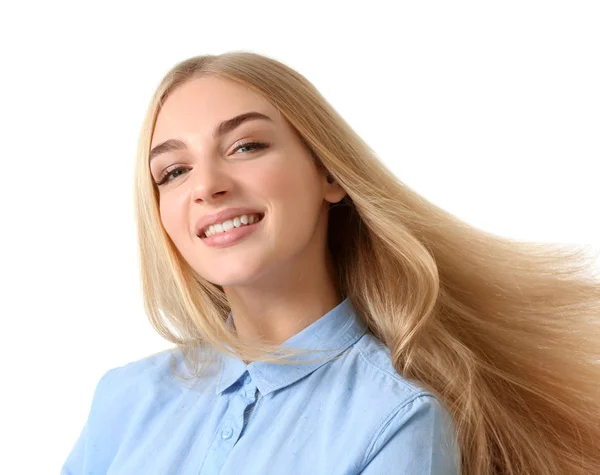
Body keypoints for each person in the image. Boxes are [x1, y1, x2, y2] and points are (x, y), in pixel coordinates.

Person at [61, 51, 600, 475]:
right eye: (173, 171)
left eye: (246, 146)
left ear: (330, 175)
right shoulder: (125, 398)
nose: (207, 185)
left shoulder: (397, 420)